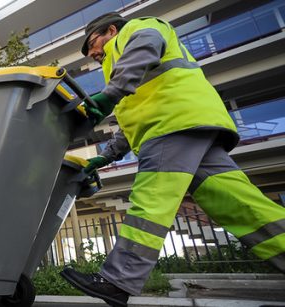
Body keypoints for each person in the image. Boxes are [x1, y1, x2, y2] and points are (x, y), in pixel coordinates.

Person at [60, 12, 285, 307]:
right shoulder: (126, 67)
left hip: (171, 126)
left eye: (92, 44)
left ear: (111, 30)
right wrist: (105, 157)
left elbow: (145, 47)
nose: (92, 54)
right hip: (190, 124)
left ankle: (117, 281)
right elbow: (133, 118)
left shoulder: (141, 29)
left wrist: (110, 93)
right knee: (243, 206)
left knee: (151, 201)